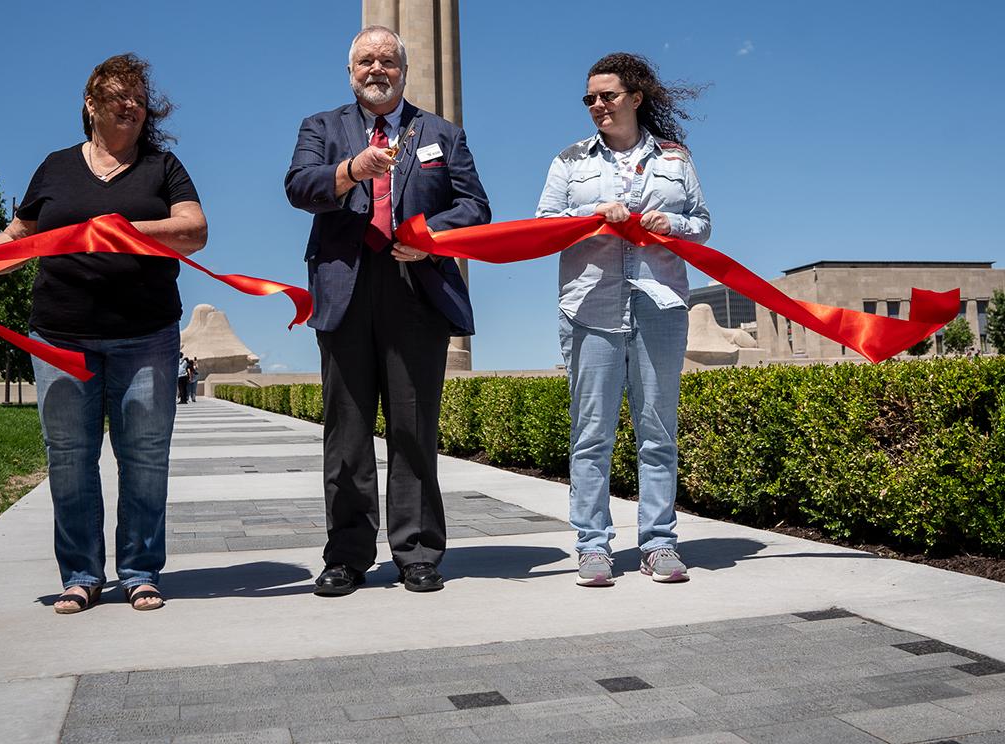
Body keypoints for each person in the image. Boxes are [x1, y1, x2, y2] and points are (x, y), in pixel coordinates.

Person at [0, 53, 206, 613]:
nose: (132, 106)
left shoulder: (163, 167)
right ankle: (80, 575)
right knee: (69, 456)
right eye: (120, 96)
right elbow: (18, 235)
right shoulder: (54, 167)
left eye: (140, 99)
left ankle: (140, 571)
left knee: (144, 456)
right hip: (60, 335)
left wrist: (116, 231)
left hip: (145, 335)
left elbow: (194, 231)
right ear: (91, 105)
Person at [285, 25, 490, 596]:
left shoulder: (442, 134)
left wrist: (430, 235)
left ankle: (418, 551)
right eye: (365, 62)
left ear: (404, 70)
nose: (376, 70)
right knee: (346, 434)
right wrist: (352, 170)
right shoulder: (321, 128)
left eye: (387, 62)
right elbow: (299, 186)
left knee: (414, 427)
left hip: (414, 287)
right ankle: (348, 555)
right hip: (343, 288)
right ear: (350, 72)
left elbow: (475, 206)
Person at [535, 52, 710, 587]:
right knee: (592, 434)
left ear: (635, 97)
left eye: (606, 95)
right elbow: (543, 225)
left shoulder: (676, 159)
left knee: (657, 433)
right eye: (589, 98)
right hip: (590, 308)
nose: (597, 106)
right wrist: (591, 217)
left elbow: (702, 224)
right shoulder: (569, 161)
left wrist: (670, 221)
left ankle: (659, 543)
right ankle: (592, 546)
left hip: (659, 305)